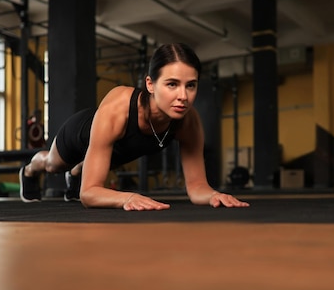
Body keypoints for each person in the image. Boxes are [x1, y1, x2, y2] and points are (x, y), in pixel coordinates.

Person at [19, 42, 250, 211]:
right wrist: (126, 198)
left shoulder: (188, 121)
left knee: (92, 165)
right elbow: (88, 194)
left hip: (117, 151)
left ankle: (79, 171)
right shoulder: (118, 107)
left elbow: (197, 186)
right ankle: (29, 170)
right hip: (80, 133)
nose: (183, 96)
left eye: (190, 85)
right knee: (53, 165)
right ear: (150, 84)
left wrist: (213, 195)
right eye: (172, 84)